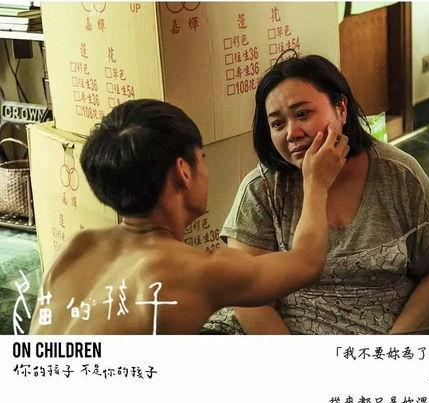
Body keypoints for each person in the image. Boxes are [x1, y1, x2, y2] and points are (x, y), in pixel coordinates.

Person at [29, 99, 349, 335]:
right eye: (202, 158)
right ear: (183, 171)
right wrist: (316, 183)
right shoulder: (194, 271)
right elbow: (306, 263)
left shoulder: (76, 247)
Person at [203, 53, 429, 335]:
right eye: (277, 124)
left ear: (341, 109)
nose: (292, 133)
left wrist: (394, 349)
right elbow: (249, 298)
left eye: (302, 114)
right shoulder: (262, 188)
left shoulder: (399, 174)